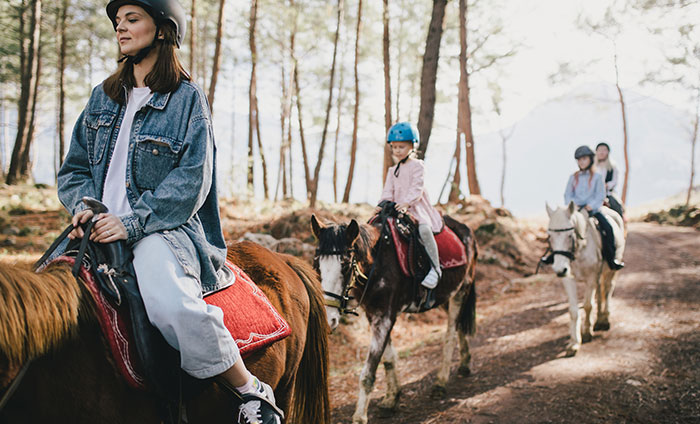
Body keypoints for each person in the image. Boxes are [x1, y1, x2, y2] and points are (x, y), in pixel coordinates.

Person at [56, 1, 281, 423]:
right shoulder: (101, 97)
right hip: (96, 227)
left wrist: (131, 222)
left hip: (163, 229)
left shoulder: (187, 100)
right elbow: (75, 168)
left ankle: (250, 391)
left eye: (132, 19)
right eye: (118, 21)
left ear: (162, 30)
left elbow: (191, 182)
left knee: (170, 305)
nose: (121, 28)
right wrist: (84, 206)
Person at [377, 122, 444, 289]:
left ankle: (436, 268)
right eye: (394, 147)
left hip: (416, 207)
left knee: (424, 229)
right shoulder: (393, 171)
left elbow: (417, 187)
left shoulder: (418, 166)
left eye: (401, 146)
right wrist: (381, 205)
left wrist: (407, 202)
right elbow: (387, 191)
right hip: (397, 209)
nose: (397, 150)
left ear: (412, 146)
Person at [564, 145, 624, 270]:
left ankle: (611, 258)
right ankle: (556, 256)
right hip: (576, 210)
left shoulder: (597, 177)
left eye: (584, 159)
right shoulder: (573, 177)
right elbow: (568, 194)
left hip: (593, 211)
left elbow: (600, 195)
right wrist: (573, 204)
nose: (581, 162)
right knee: (560, 228)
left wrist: (591, 206)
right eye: (579, 160)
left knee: (608, 229)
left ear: (590, 159)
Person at [594, 141, 625, 219]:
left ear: (608, 152)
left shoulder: (612, 166)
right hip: (593, 193)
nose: (601, 152)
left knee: (616, 205)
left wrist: (607, 185)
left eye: (604, 150)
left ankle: (621, 222)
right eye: (599, 150)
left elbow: (615, 181)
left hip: (608, 193)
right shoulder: (592, 167)